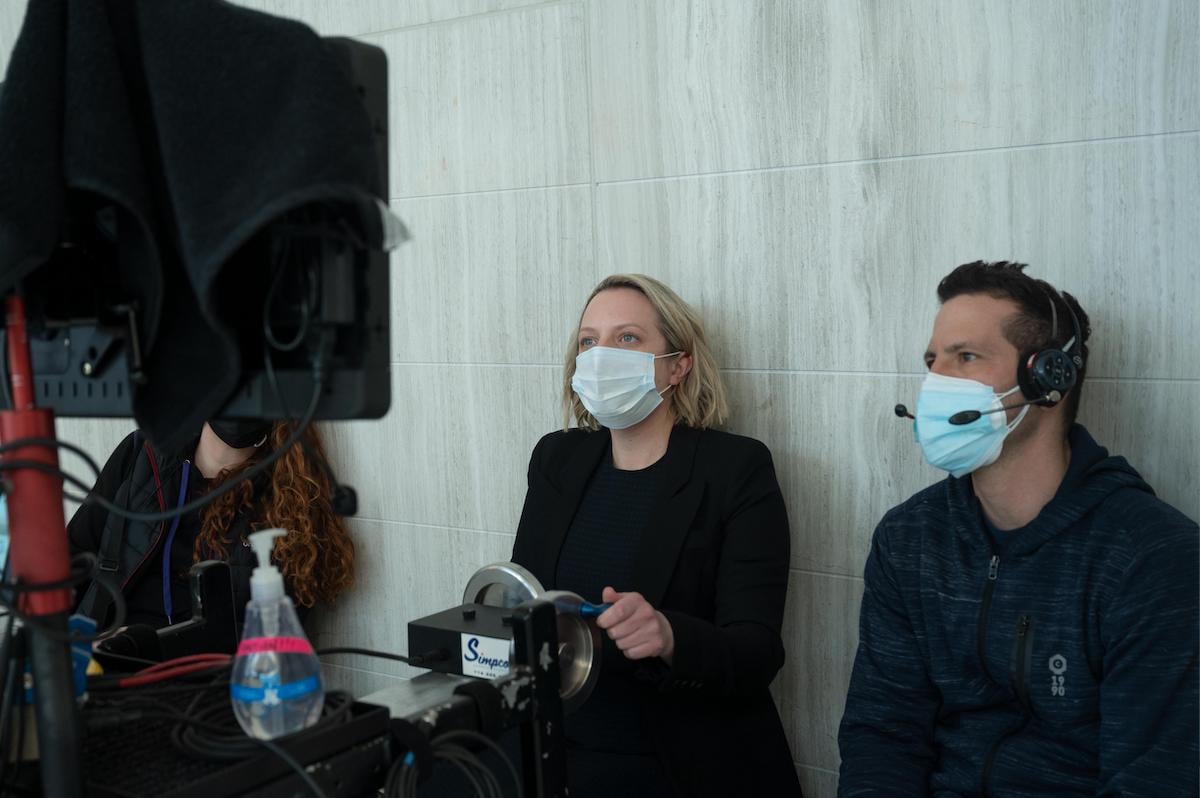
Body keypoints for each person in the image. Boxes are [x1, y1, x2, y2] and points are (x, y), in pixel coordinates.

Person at [838, 261, 1199, 796]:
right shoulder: (908, 538)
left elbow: (1153, 779)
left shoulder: (1152, 557)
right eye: (932, 361)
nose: (936, 383)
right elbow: (882, 735)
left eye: (966, 357)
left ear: (1048, 378)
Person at [512, 274, 801, 797]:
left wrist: (670, 637)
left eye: (627, 338)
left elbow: (758, 652)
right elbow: (527, 604)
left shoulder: (735, 468)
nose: (601, 356)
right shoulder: (557, 459)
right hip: (560, 750)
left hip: (682, 761)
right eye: (588, 341)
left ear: (678, 364)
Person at [68, 419, 354, 632]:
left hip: (202, 691)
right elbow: (73, 558)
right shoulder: (144, 454)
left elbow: (273, 639)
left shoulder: (288, 496)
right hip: (106, 663)